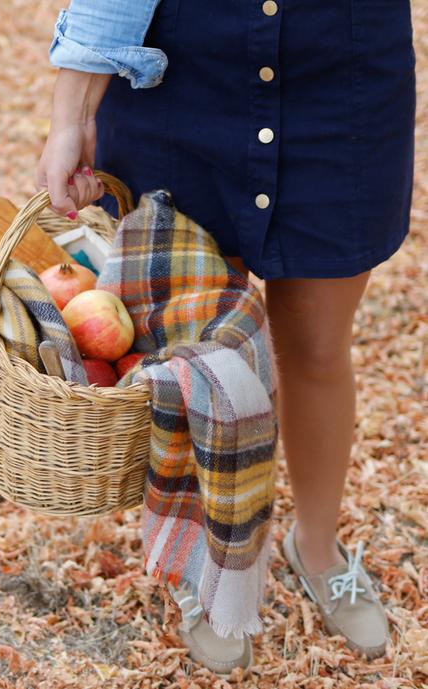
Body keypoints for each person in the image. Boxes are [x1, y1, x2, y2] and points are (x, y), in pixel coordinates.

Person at [36, 0, 416, 675]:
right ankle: (210, 565)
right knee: (195, 353)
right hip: (181, 69)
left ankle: (318, 548)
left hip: (343, 70)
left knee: (318, 346)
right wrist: (72, 114)